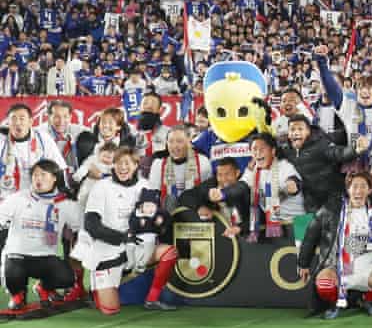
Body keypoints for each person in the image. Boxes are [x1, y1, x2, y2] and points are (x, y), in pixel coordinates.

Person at [297, 171, 372, 319]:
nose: (358, 191)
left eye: (363, 186)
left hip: (368, 269)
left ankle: (367, 299)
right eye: (354, 186)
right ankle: (339, 302)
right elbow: (312, 233)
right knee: (324, 283)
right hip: (338, 267)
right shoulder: (332, 208)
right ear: (348, 189)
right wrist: (303, 263)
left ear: (370, 190)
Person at [71, 147, 178, 314]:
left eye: (127, 163)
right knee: (110, 310)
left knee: (169, 252)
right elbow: (92, 225)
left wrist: (160, 220)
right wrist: (122, 237)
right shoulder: (101, 187)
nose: (122, 167)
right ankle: (98, 289)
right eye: (118, 163)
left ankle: (152, 298)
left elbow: (153, 218)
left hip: (135, 247)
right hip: (108, 251)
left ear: (136, 165)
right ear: (113, 165)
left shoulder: (145, 186)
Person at [0, 160, 81, 310]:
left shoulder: (64, 202)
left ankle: (43, 287)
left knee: (66, 278)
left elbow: (81, 227)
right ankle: (17, 295)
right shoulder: (19, 198)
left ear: (55, 177)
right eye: (35, 175)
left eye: (43, 175)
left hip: (45, 256)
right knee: (12, 273)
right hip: (17, 255)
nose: (39, 179)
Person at [314, 45, 372, 171]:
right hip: (353, 166)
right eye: (361, 88)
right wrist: (322, 62)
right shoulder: (349, 107)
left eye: (369, 88)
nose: (364, 91)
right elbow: (332, 89)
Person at [284, 114, 362, 213]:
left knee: (334, 225)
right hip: (312, 201)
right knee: (310, 227)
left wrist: (355, 150)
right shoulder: (287, 151)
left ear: (308, 131)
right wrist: (293, 182)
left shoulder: (320, 144)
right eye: (292, 129)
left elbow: (338, 153)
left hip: (333, 195)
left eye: (300, 129)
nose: (296, 133)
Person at [236, 133, 303, 241]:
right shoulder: (253, 170)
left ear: (272, 151)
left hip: (297, 222)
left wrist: (291, 186)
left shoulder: (284, 166)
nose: (258, 153)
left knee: (301, 256)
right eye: (254, 149)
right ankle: (253, 231)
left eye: (262, 149)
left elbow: (294, 183)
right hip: (274, 224)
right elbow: (240, 189)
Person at [0, 103, 66, 202]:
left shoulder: (43, 139)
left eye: (22, 118)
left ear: (31, 121)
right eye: (13, 119)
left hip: (38, 197)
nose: (17, 123)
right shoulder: (1, 140)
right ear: (8, 122)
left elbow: (60, 169)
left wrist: (61, 194)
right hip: (7, 197)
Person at [147, 125, 213, 212]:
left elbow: (207, 194)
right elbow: (153, 196)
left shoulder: (202, 161)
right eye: (171, 141)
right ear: (166, 143)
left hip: (194, 216)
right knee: (170, 200)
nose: (175, 146)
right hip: (167, 217)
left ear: (188, 142)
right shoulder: (158, 164)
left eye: (179, 141)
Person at [179, 157, 251, 238]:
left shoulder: (245, 186)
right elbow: (185, 196)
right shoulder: (210, 185)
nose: (223, 179)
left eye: (227, 174)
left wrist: (240, 228)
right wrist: (199, 207)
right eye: (220, 175)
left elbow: (257, 217)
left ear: (237, 173)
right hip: (217, 237)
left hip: (244, 238)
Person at [40, 100, 89, 183]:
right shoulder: (40, 133)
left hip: (73, 176)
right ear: (48, 117)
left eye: (65, 116)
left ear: (70, 117)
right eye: (56, 116)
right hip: (48, 177)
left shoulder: (78, 130)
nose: (61, 121)